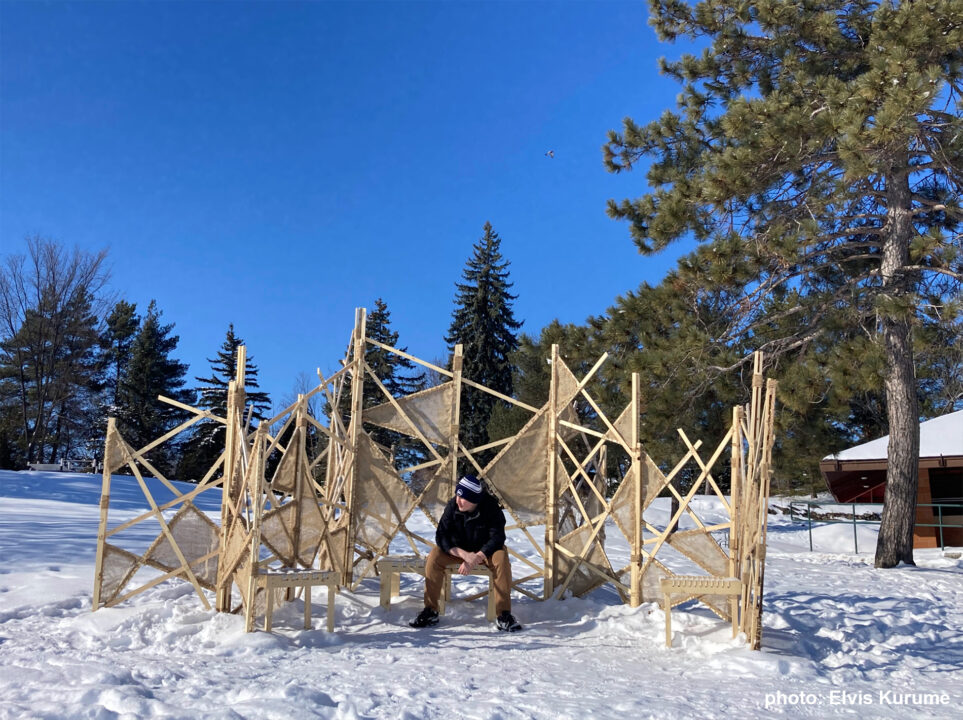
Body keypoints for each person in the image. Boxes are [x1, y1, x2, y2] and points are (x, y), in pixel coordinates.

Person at [409, 474, 522, 632]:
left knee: (501, 557)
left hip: (485, 552)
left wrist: (476, 557)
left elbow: (498, 537)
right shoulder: (453, 506)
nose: (458, 501)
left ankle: (503, 614)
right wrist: (464, 555)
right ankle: (430, 611)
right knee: (434, 556)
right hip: (459, 551)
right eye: (457, 496)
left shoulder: (490, 507)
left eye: (463, 498)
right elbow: (441, 536)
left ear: (475, 500)